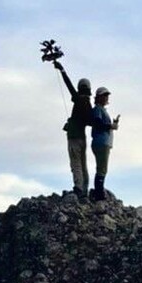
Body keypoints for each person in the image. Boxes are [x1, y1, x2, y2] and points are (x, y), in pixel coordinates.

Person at [54, 60, 93, 198]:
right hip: (82, 137)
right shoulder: (88, 104)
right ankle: (85, 188)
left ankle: (78, 188)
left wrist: (62, 70)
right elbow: (89, 121)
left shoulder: (78, 99)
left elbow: (68, 85)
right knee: (83, 163)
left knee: (75, 162)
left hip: (74, 137)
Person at [90, 86, 120, 202]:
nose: (107, 97)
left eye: (107, 95)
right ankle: (99, 195)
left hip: (102, 143)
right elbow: (98, 124)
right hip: (101, 143)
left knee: (101, 168)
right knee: (102, 169)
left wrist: (113, 124)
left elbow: (101, 124)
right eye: (105, 95)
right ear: (99, 97)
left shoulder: (100, 109)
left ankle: (99, 192)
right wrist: (110, 126)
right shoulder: (98, 109)